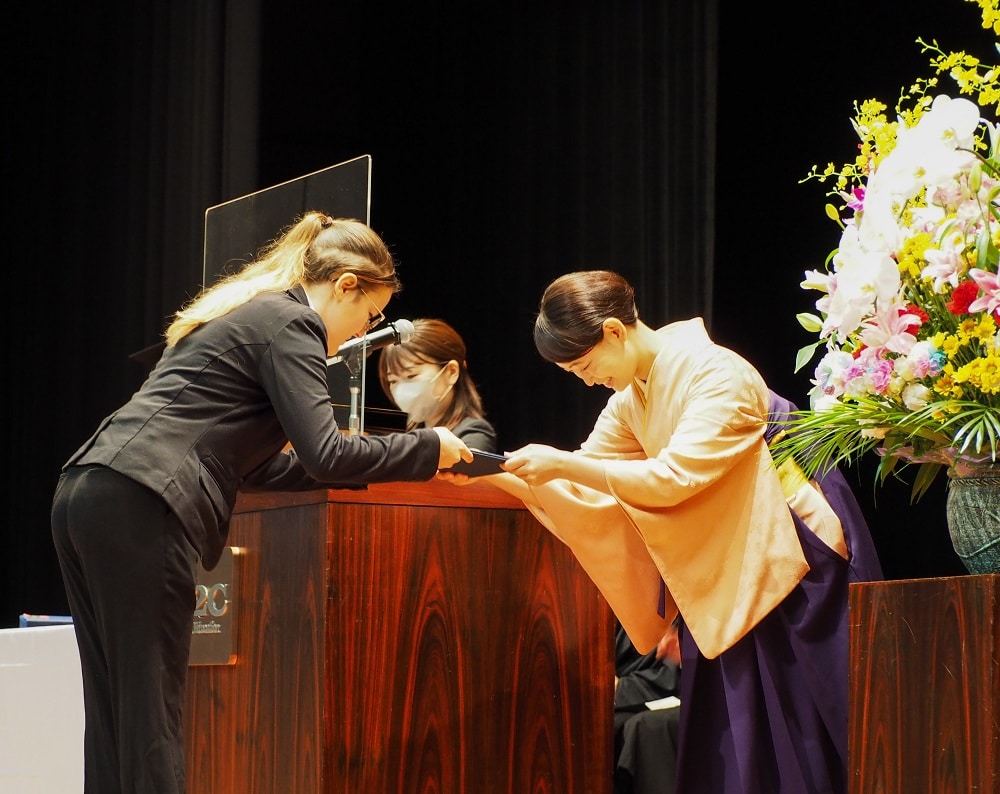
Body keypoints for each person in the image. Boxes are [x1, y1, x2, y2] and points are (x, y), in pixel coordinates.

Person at [49, 212, 473, 794]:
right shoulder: (294, 323)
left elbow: (266, 464)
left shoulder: (251, 312)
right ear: (345, 284)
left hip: (88, 489)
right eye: (367, 315)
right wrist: (427, 449)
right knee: (152, 714)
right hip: (142, 502)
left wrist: (396, 462)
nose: (360, 335)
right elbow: (326, 453)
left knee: (114, 714)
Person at [454, 270, 884, 793]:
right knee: (740, 738)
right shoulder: (630, 399)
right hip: (727, 564)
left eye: (586, 366)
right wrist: (493, 473)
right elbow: (586, 484)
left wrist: (560, 466)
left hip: (789, 550)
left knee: (813, 726)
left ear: (614, 331)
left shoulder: (715, 372)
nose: (586, 381)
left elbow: (674, 478)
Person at [378, 318, 497, 452]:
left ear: (451, 372)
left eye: (411, 376)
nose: (401, 390)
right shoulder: (405, 435)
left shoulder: (473, 435)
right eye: (393, 381)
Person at [613, 621, 681, 794]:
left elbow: (671, 677)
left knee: (646, 728)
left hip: (676, 691)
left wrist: (618, 688)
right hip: (620, 698)